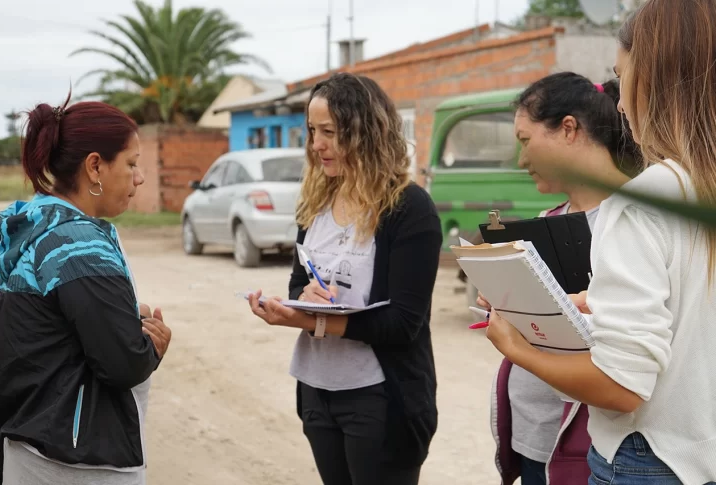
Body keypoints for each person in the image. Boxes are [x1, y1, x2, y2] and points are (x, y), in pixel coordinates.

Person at [484, 0, 716, 483]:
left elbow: (621, 386)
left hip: (646, 459)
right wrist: (599, 301)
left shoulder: (643, 201)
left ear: (653, 77)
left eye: (622, 75)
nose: (621, 103)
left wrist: (517, 348)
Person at [246, 72, 442, 485]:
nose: (316, 145)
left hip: (381, 399)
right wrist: (305, 297)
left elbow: (404, 323)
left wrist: (311, 320)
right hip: (317, 390)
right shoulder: (317, 200)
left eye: (330, 132)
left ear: (365, 132)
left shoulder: (409, 208)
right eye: (313, 131)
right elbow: (298, 284)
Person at [0, 94, 172, 485]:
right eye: (132, 164)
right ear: (94, 167)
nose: (139, 177)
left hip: (28, 447)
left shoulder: (37, 225)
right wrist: (151, 348)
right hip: (78, 463)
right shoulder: (78, 245)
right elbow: (122, 363)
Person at [476, 72, 640, 485]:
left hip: (593, 451)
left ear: (569, 129)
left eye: (526, 141)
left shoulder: (639, 225)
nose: (521, 161)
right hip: (535, 443)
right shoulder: (546, 226)